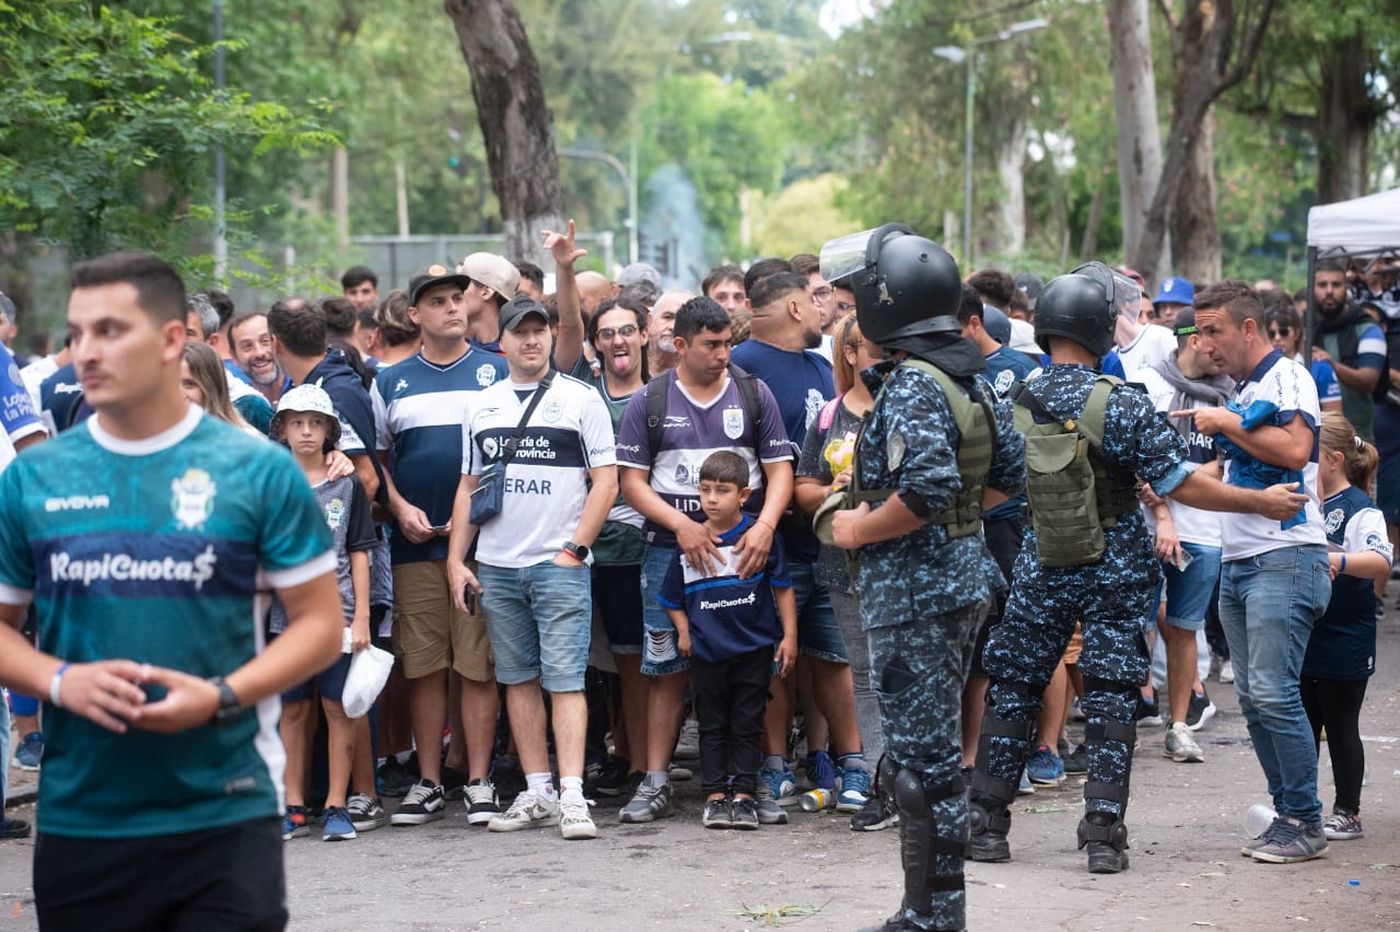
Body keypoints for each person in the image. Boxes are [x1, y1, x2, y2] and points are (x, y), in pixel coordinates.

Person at [0, 251, 343, 929]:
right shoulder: (34, 478)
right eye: (76, 334)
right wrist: (62, 681)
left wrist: (221, 695)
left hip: (226, 809)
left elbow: (320, 625)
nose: (85, 353)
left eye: (109, 331)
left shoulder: (257, 470)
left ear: (170, 341)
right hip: (82, 819)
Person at [969, 266, 1310, 877]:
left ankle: (986, 822)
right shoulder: (1122, 402)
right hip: (1115, 568)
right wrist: (1261, 501)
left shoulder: (1012, 399)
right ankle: (1103, 832)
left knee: (1015, 683)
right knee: (1110, 693)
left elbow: (989, 486)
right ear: (1099, 330)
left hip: (1040, 560)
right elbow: (1181, 484)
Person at [820, 226, 1024, 932]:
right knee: (931, 761)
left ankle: (932, 913)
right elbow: (1006, 477)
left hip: (915, 594)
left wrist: (856, 528)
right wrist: (949, 523)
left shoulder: (912, 383)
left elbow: (928, 486)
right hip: (963, 577)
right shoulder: (969, 376)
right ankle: (936, 908)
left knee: (920, 767)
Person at [614, 297, 793, 825]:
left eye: (728, 343)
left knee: (751, 668)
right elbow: (631, 484)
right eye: (711, 344)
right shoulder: (648, 400)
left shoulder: (753, 393)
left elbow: (779, 470)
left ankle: (750, 781)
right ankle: (655, 781)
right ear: (680, 344)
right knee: (667, 667)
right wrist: (682, 525)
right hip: (670, 554)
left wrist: (763, 527)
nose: (723, 353)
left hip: (744, 551)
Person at [447, 295, 618, 841]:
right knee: (516, 679)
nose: (531, 340)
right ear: (501, 342)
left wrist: (576, 549)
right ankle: (538, 788)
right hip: (497, 566)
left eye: (539, 330)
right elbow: (469, 485)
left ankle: (572, 794)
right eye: (520, 332)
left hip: (557, 563)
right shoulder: (482, 405)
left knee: (566, 680)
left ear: (550, 335)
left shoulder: (581, 399)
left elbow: (606, 481)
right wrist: (456, 558)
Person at [1173, 280, 1333, 864]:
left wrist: (1225, 422)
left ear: (1247, 328)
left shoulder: (1287, 377)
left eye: (1213, 330)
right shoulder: (1245, 389)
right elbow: (1244, 459)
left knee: (1272, 691)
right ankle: (1287, 813)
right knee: (1254, 695)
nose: (1203, 343)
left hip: (1284, 557)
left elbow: (1296, 451)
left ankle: (1306, 821)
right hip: (1243, 559)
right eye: (1197, 331)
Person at [375, 265, 508, 827]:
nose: (452, 307)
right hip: (413, 548)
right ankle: (429, 782)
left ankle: (478, 781)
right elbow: (378, 463)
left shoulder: (497, 372)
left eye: (459, 298)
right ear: (414, 315)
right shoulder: (389, 380)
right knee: (425, 667)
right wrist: (399, 507)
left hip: (483, 548)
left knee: (477, 665)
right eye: (437, 301)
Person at [732, 270, 868, 810]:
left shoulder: (821, 367)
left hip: (827, 541)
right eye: (815, 301)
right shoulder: (740, 366)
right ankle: (771, 764)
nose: (823, 311)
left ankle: (850, 761)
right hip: (765, 543)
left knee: (834, 657)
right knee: (772, 656)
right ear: (793, 308)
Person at [660, 451, 797, 830]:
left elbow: (783, 589)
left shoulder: (760, 539)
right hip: (707, 651)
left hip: (753, 649)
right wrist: (685, 630)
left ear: (744, 494)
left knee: (748, 722)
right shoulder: (691, 541)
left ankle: (746, 794)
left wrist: (789, 636)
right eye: (705, 490)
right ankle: (716, 796)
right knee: (712, 723)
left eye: (722, 490)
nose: (712, 499)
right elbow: (672, 597)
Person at [794, 311, 895, 831]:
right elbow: (802, 486)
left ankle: (913, 782)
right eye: (874, 350)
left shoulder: (906, 410)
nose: (884, 359)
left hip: (900, 565)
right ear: (850, 354)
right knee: (864, 677)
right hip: (842, 566)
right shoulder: (831, 416)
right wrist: (836, 488)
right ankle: (881, 781)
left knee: (903, 675)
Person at [267, 384, 376, 843]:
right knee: (291, 709)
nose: (306, 432)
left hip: (340, 614)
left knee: (337, 708)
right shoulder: (270, 482)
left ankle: (336, 804)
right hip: (284, 618)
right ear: (283, 430)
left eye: (315, 423)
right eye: (297, 423)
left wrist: (363, 618)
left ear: (330, 429)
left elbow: (359, 552)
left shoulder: (347, 484)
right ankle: (292, 805)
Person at [1135, 307, 1235, 763]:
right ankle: (1119, 721)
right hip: (1147, 527)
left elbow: (1224, 461)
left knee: (1183, 630)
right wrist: (1162, 512)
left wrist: (1182, 480)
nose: (1224, 349)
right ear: (1195, 339)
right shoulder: (1151, 387)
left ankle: (1178, 726)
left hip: (1204, 531)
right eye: (1216, 337)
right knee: (1131, 622)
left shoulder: (1226, 396)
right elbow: (1137, 462)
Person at [1298, 413, 1390, 845]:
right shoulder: (1304, 501)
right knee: (1303, 723)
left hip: (1346, 635)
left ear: (1333, 459)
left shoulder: (1361, 510)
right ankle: (1300, 808)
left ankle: (1347, 811)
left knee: (1340, 723)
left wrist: (1338, 561)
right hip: (1307, 631)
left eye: (1309, 452)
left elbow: (1380, 561)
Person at [1310, 260, 1386, 441]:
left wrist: (1332, 366)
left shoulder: (1368, 329)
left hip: (1358, 440)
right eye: (1322, 285)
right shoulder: (1307, 328)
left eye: (1336, 284)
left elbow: (1369, 380)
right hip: (1315, 440)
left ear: (1346, 288)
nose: (1329, 291)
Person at [1265, 305, 1342, 413]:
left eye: (1284, 332)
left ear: (1296, 333)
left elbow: (1335, 417)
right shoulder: (1260, 371)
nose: (1277, 338)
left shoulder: (1320, 368)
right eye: (1271, 334)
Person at [180, 342, 258, 435]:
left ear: (213, 388)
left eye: (190, 384)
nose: (179, 393)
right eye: (171, 384)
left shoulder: (245, 441)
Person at [457, 252, 520, 353]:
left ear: (486, 292)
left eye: (462, 285)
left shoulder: (516, 353)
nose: (454, 293)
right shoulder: (448, 348)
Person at [229, 311, 292, 406]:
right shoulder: (239, 403)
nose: (259, 353)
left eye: (265, 341)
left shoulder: (305, 389)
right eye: (247, 346)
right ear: (234, 356)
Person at [647, 291, 689, 375]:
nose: (673, 327)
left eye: (683, 320)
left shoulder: (701, 375)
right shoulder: (632, 366)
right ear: (649, 321)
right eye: (668, 317)